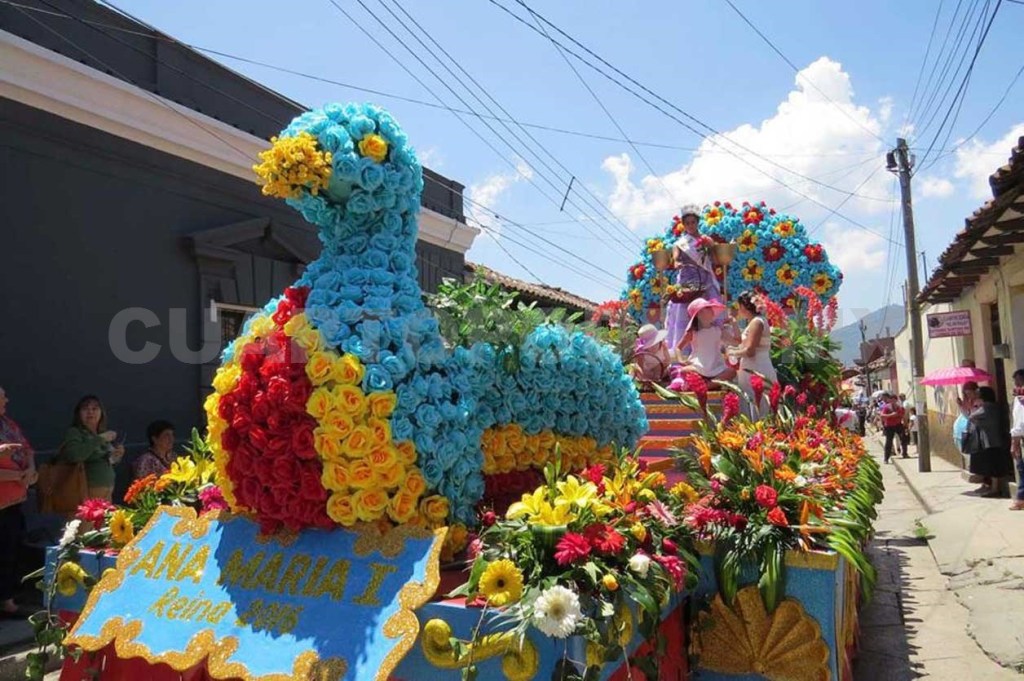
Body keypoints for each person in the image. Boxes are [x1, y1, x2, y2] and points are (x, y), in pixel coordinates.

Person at [663, 205, 721, 355]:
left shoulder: (706, 240)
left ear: (697, 222)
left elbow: (715, 259)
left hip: (704, 281)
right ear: (683, 225)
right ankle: (683, 352)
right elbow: (675, 258)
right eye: (687, 223)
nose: (690, 225)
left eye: (693, 222)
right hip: (687, 283)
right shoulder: (680, 243)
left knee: (706, 316)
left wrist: (711, 246)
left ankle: (709, 352)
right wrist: (676, 262)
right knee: (685, 316)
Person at [0, 386, 35, 618]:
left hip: (13, 500)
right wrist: (15, 476)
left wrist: (30, 470)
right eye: (1, 396)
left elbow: (28, 449)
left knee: (10, 550)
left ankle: (7, 599)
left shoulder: (9, 424)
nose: (6, 399)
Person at [58, 395, 124, 501]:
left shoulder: (100, 433)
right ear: (78, 413)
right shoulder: (74, 432)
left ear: (101, 412)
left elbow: (107, 460)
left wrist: (116, 456)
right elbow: (75, 455)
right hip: (86, 493)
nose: (90, 412)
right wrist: (99, 439)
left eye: (95, 408)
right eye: (85, 409)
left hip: (107, 492)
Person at [726, 291, 777, 415]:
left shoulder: (756, 322)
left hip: (756, 367)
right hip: (754, 366)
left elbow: (750, 351)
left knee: (758, 402)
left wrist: (732, 352)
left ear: (744, 307)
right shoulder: (756, 321)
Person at [963, 386, 1012, 498]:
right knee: (994, 465)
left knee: (993, 466)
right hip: (996, 439)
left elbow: (971, 416)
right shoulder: (994, 407)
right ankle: (994, 488)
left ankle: (995, 489)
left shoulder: (986, 407)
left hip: (990, 441)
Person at [675, 298, 735, 381]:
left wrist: (734, 324)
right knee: (684, 371)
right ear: (699, 313)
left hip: (716, 366)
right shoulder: (693, 332)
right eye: (707, 308)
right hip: (698, 366)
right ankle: (710, 383)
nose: (711, 310)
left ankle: (707, 385)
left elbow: (736, 341)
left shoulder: (718, 330)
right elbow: (678, 348)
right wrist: (681, 360)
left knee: (731, 372)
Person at [1009, 369, 1024, 510]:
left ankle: (1020, 499)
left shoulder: (1021, 399)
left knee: (1022, 468)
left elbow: (1020, 422)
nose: (1017, 385)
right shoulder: (1018, 398)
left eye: (1018, 381)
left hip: (1021, 438)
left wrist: (1015, 443)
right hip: (1020, 437)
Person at [879, 394, 907, 463]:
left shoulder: (899, 407)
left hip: (898, 425)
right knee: (889, 442)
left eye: (894, 400)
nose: (893, 401)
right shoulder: (886, 407)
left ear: (896, 400)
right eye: (891, 400)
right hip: (889, 426)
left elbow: (903, 415)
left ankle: (905, 453)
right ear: (890, 400)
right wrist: (891, 415)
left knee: (903, 438)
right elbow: (882, 415)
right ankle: (886, 458)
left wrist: (905, 425)